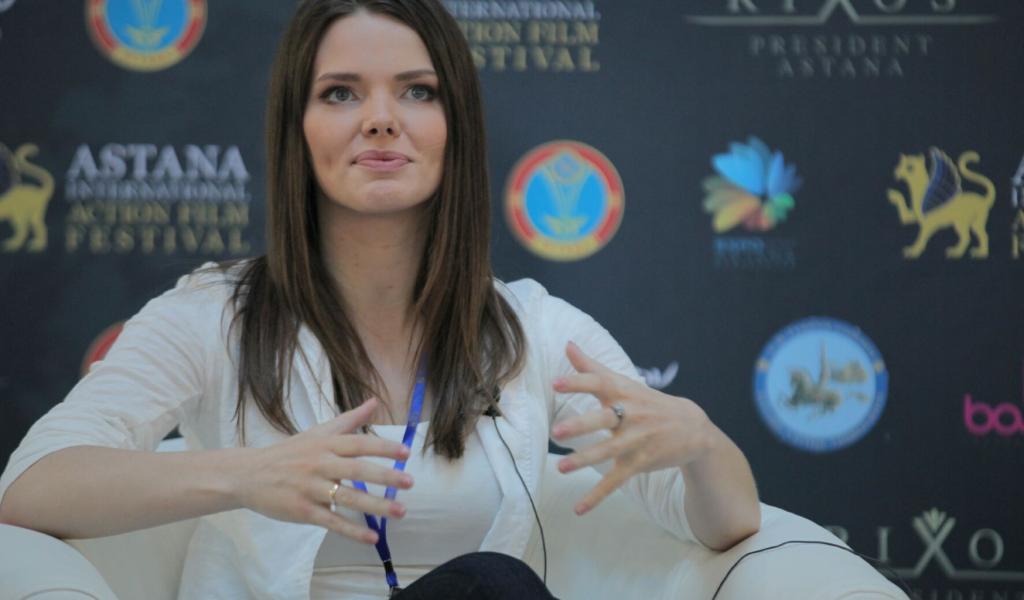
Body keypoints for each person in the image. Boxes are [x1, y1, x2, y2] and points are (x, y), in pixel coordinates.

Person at [0, 0, 761, 598]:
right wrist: (246, 476)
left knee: (491, 585)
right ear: (297, 130)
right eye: (340, 93)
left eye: (417, 92)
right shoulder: (213, 315)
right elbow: (30, 487)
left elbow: (728, 522)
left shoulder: (531, 329)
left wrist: (699, 442)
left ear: (454, 127)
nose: (381, 118)